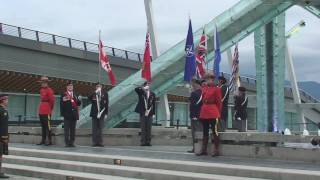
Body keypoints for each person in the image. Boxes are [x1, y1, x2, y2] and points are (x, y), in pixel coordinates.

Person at [197, 73, 222, 157]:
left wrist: (218, 113)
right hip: (204, 112)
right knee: (205, 131)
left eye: (208, 79)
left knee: (215, 132)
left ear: (212, 79)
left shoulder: (217, 89)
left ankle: (216, 149)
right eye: (206, 79)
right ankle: (203, 149)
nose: (207, 80)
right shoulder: (204, 88)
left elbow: (219, 102)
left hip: (213, 111)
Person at [60, 81, 81, 147]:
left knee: (73, 130)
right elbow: (61, 105)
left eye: (71, 86)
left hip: (74, 115)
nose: (70, 87)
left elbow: (78, 104)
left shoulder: (75, 94)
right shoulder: (64, 94)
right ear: (67, 87)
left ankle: (72, 142)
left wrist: (79, 100)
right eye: (69, 86)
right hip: (67, 114)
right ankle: (67, 143)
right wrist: (62, 114)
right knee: (66, 130)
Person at [135, 82, 156, 146]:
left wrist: (154, 113)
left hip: (150, 112)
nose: (148, 86)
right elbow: (136, 89)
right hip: (143, 112)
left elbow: (153, 104)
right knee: (143, 128)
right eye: (146, 85)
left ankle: (148, 141)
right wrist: (143, 88)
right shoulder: (141, 92)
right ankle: (143, 142)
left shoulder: (152, 94)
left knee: (149, 128)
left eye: (148, 85)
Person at [37, 76, 55, 146]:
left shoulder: (50, 90)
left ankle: (49, 140)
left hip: (47, 109)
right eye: (42, 83)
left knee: (48, 126)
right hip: (41, 109)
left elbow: (52, 101)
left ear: (47, 83)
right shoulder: (41, 90)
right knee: (43, 126)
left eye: (44, 83)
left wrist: (50, 109)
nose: (42, 84)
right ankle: (43, 140)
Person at [89, 83, 108, 147]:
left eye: (99, 86)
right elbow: (89, 98)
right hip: (94, 113)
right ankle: (94, 142)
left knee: (100, 128)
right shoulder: (94, 93)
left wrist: (106, 113)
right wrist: (95, 92)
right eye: (97, 86)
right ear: (95, 87)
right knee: (94, 128)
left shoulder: (105, 93)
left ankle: (100, 142)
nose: (98, 87)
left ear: (102, 87)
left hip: (101, 113)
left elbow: (107, 104)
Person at [188, 79, 203, 153]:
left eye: (193, 84)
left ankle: (195, 148)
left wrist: (193, 115)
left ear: (196, 84)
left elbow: (192, 106)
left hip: (195, 116)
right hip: (202, 116)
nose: (192, 86)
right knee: (200, 132)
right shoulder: (204, 92)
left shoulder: (194, 93)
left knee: (195, 133)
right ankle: (201, 147)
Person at [0, 94, 9, 178]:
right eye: (6, 99)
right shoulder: (3, 111)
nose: (7, 101)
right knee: (0, 154)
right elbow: (3, 125)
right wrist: (5, 137)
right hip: (1, 136)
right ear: (3, 100)